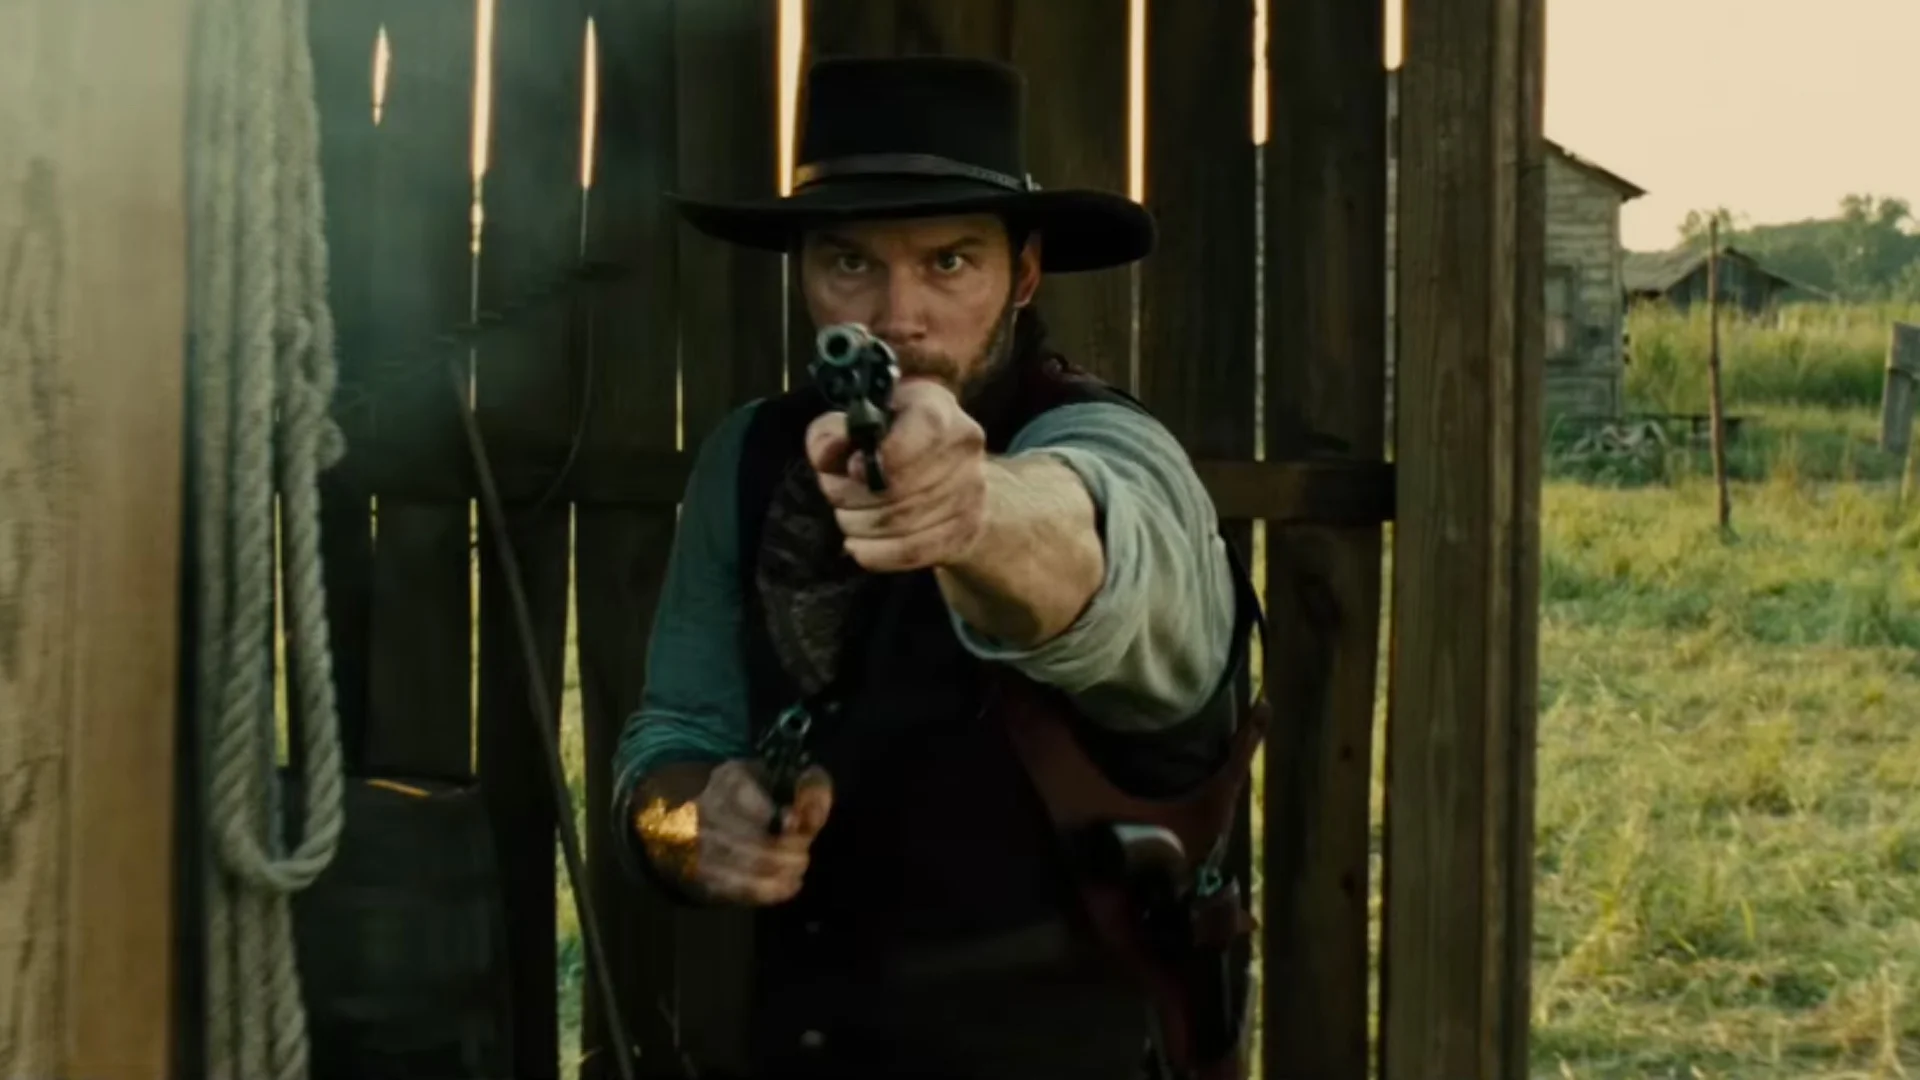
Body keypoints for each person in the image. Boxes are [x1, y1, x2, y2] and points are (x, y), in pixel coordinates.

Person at [610, 55, 1265, 1080]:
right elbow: (673, 741)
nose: (894, 315)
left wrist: (971, 510)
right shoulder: (749, 459)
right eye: (849, 263)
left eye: (949, 262)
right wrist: (695, 828)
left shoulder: (1112, 448)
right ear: (803, 270)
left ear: (1025, 275)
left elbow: (1096, 546)